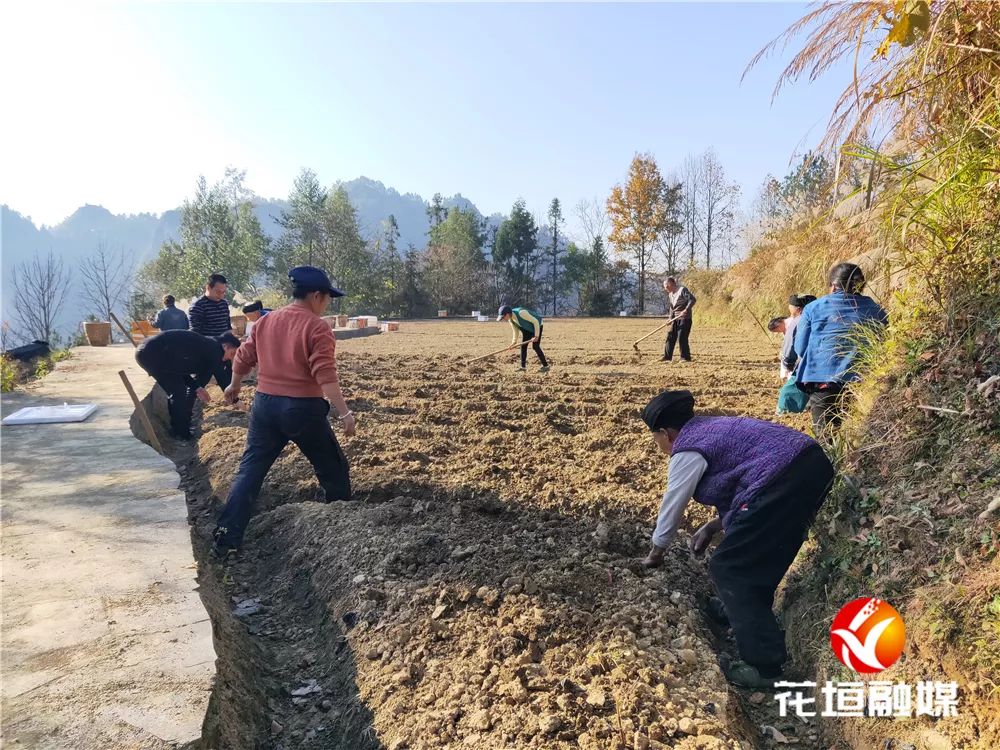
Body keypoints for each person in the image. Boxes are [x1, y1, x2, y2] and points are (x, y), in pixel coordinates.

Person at [639, 390, 834, 688]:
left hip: (785, 478)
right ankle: (741, 614)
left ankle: (764, 667)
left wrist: (657, 551)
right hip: (809, 464)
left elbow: (673, 503)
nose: (658, 447)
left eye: (656, 440)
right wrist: (713, 527)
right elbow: (746, 489)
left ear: (666, 433)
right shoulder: (709, 428)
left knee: (729, 569)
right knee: (756, 553)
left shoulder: (687, 449)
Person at [212, 266, 356, 557]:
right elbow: (325, 374)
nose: (327, 304)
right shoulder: (317, 327)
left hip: (265, 404)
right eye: (327, 298)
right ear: (316, 296)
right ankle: (341, 524)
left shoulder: (265, 322)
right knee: (332, 467)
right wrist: (344, 413)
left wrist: (234, 386)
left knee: (250, 470)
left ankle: (227, 537)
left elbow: (243, 356)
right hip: (302, 409)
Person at [794, 263, 888, 437]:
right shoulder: (876, 310)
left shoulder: (813, 308)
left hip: (822, 381)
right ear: (861, 286)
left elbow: (800, 348)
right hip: (863, 382)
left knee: (826, 436)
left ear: (833, 286)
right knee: (859, 434)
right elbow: (884, 342)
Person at [135, 330, 240, 440]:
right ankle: (182, 434)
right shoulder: (214, 349)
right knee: (177, 392)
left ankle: (179, 430)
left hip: (154, 353)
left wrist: (197, 387)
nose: (231, 358)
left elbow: (179, 370)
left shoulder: (207, 348)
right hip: (151, 353)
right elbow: (221, 377)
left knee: (177, 390)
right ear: (225, 346)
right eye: (232, 354)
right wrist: (236, 401)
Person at [189, 274, 234, 388]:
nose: (221, 295)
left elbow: (227, 326)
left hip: (225, 350)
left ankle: (233, 402)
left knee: (228, 379)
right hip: (207, 351)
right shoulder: (198, 306)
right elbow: (195, 335)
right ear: (208, 287)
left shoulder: (224, 304)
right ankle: (188, 403)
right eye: (218, 291)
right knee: (200, 381)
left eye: (224, 292)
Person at [497, 304, 549, 373]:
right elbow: (515, 331)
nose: (503, 319)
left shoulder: (521, 313)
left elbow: (535, 322)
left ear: (507, 314)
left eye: (503, 317)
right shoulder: (511, 320)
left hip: (537, 325)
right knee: (523, 346)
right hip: (526, 328)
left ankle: (546, 366)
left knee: (535, 346)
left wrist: (536, 336)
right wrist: (513, 342)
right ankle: (523, 367)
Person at [779, 294, 816, 378]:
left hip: (803, 368)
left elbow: (790, 346)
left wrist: (787, 364)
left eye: (790, 307)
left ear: (798, 309)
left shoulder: (797, 321)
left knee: (787, 391)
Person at [662, 277, 696, 362]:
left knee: (682, 337)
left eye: (666, 286)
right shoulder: (670, 294)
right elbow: (672, 308)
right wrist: (670, 318)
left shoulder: (682, 290)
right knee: (670, 336)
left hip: (685, 318)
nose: (665, 288)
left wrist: (686, 310)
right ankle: (667, 357)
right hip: (675, 319)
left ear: (671, 284)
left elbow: (692, 300)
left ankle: (685, 358)